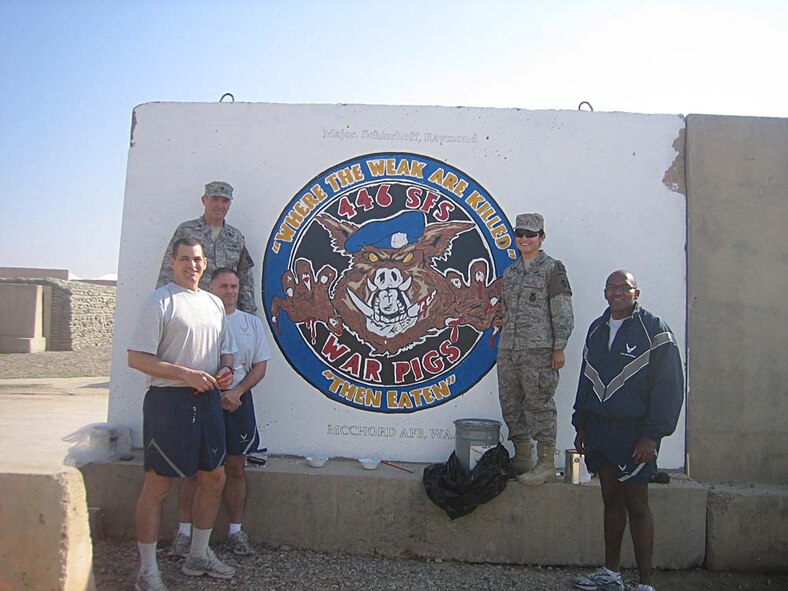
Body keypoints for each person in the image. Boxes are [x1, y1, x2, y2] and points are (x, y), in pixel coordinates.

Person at [128, 237, 238, 591]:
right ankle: (147, 571)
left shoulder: (213, 304)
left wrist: (225, 371)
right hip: (168, 403)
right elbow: (137, 358)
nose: (192, 265)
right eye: (185, 259)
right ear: (173, 263)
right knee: (158, 486)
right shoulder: (159, 302)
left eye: (197, 259)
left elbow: (226, 353)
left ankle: (198, 556)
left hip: (207, 402)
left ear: (205, 264)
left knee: (214, 477)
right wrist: (184, 373)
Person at [571, 270, 684, 591]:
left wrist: (653, 434)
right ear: (605, 293)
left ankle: (645, 582)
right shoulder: (596, 328)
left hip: (634, 434)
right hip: (599, 430)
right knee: (610, 501)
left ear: (637, 293)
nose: (618, 292)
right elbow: (585, 379)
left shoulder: (654, 330)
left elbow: (670, 387)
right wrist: (580, 423)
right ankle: (611, 573)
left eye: (625, 288)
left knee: (637, 505)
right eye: (612, 287)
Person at [170, 267, 272, 558]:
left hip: (238, 403)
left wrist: (237, 393)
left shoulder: (251, 324)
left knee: (236, 469)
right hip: (200, 401)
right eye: (224, 286)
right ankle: (183, 533)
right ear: (211, 289)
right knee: (194, 470)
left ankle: (236, 532)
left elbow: (260, 367)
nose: (230, 291)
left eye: (234, 286)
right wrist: (213, 395)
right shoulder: (197, 322)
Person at [496, 212, 574, 484]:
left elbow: (562, 310)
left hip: (539, 350)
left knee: (539, 405)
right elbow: (505, 312)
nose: (524, 239)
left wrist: (559, 347)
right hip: (509, 349)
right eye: (520, 234)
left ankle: (546, 463)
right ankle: (523, 457)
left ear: (541, 237)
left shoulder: (552, 268)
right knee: (510, 404)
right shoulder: (511, 273)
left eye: (531, 234)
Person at [157, 180, 257, 313]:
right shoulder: (186, 231)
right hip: (191, 309)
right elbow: (168, 270)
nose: (220, 205)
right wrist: (162, 307)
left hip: (225, 313)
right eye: (215, 199)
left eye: (225, 201)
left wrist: (249, 316)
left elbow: (245, 280)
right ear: (204, 200)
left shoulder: (236, 237)